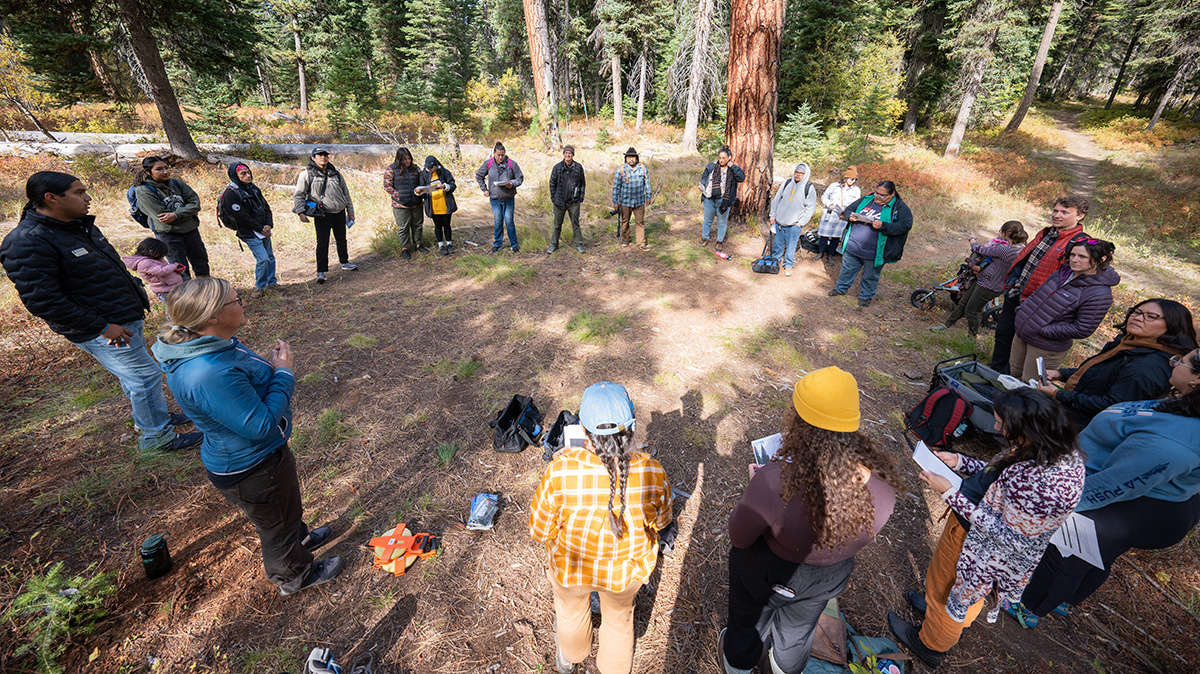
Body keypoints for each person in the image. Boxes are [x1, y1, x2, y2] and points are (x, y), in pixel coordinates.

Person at [152, 278, 342, 596]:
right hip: (252, 466)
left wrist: (269, 370)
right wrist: (283, 371)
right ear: (212, 316)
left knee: (287, 511)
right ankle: (294, 575)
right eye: (236, 300)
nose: (243, 303)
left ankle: (301, 540)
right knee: (276, 527)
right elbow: (261, 425)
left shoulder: (214, 343)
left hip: (265, 456)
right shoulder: (207, 372)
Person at [0, 171, 200, 452]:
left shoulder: (78, 226)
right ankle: (156, 438)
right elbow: (44, 301)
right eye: (79, 192)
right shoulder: (27, 242)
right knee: (144, 376)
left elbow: (107, 266)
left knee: (136, 376)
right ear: (51, 198)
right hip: (103, 328)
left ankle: (153, 419)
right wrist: (103, 327)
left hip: (123, 317)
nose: (88, 197)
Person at [887, 388, 1085, 669]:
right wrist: (961, 462)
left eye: (1002, 424)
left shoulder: (1045, 485)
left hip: (976, 544)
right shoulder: (1051, 448)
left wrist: (949, 494)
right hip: (976, 535)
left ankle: (930, 643)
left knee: (946, 591)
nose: (996, 427)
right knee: (956, 593)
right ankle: (940, 614)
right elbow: (1003, 471)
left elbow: (1007, 536)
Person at [719, 367, 899, 674]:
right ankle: (784, 667)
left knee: (748, 624)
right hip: (826, 581)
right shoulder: (883, 491)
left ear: (800, 424)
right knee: (798, 633)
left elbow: (739, 537)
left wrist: (759, 487)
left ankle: (740, 663)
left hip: (767, 574)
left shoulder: (773, 482)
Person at [1010, 348, 1200, 627]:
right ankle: (1065, 599)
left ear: (1196, 380)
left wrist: (1064, 503)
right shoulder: (1185, 404)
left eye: (1180, 362)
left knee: (1067, 547)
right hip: (1150, 495)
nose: (1173, 363)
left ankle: (1027, 606)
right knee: (1097, 551)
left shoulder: (1172, 444)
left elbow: (1118, 483)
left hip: (1142, 503)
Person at [529, 382, 673, 674]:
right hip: (625, 572)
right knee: (619, 621)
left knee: (569, 614)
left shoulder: (559, 471)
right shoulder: (652, 470)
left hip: (571, 568)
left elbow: (539, 530)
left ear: (582, 430)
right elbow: (662, 521)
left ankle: (570, 657)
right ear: (631, 428)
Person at [1035, 299, 1196, 429]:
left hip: (1084, 427)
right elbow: (1101, 373)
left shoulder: (1148, 366)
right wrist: (1061, 374)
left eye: (1151, 316)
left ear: (1173, 326)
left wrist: (1058, 394)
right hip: (1071, 412)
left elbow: (1112, 405)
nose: (1138, 318)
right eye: (1137, 312)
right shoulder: (1129, 343)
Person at [990, 196, 1090, 373]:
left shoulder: (1080, 243)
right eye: (1055, 210)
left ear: (1080, 216)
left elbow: (1071, 280)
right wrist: (1013, 286)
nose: (1057, 215)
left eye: (1065, 212)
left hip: (1038, 304)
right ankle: (993, 373)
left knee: (1024, 345)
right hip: (1017, 295)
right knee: (1004, 335)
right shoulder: (1045, 233)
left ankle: (1008, 380)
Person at [1010, 238, 1119, 381]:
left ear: (1101, 259)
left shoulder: (1099, 294)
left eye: (1082, 257)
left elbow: (1082, 328)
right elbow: (1037, 294)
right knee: (1013, 376)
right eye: (1072, 255)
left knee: (1030, 386)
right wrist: (1022, 312)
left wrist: (1042, 330)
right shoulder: (1062, 274)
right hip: (1023, 333)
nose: (1074, 260)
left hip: (1045, 345)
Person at [931, 221, 1028, 337]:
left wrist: (972, 239)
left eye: (1001, 231)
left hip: (989, 285)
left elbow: (979, 249)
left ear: (1006, 233)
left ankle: (971, 338)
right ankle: (946, 325)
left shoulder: (1006, 249)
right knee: (963, 303)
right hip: (984, 281)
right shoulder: (1020, 247)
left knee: (971, 310)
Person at [828, 180, 913, 307]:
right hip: (853, 246)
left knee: (870, 275)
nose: (877, 197)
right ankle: (840, 288)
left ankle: (866, 296)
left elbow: (906, 225)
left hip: (875, 251)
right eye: (876, 193)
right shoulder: (866, 199)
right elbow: (849, 209)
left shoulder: (899, 207)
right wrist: (849, 216)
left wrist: (884, 226)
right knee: (847, 269)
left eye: (882, 195)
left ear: (892, 194)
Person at [134, 156, 209, 278]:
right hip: (169, 235)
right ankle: (188, 295)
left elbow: (195, 204)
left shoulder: (176, 183)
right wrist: (188, 212)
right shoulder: (144, 190)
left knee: (201, 263)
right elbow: (162, 216)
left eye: (166, 168)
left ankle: (207, 290)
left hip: (191, 230)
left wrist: (175, 214)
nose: (165, 172)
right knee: (180, 268)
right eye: (159, 169)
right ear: (148, 172)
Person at [293, 148, 357, 283]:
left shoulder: (336, 174)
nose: (323, 157)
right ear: (313, 158)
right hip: (322, 214)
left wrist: (350, 211)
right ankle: (321, 272)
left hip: (339, 211)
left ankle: (344, 262)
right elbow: (299, 194)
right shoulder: (307, 174)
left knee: (341, 239)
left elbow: (346, 193)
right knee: (322, 242)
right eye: (320, 155)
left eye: (325, 155)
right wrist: (300, 212)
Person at [218, 163, 277, 299]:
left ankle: (272, 283)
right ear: (235, 176)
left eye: (248, 172)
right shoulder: (231, 194)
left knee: (270, 257)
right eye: (243, 174)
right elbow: (241, 217)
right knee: (263, 259)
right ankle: (259, 288)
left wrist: (268, 224)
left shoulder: (253, 188)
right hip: (249, 232)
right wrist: (260, 228)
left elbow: (266, 207)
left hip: (263, 229)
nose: (248, 176)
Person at [767, 163, 817, 277]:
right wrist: (772, 215)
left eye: (801, 173)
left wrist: (801, 223)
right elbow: (776, 199)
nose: (798, 175)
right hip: (780, 221)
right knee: (778, 243)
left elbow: (810, 207)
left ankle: (788, 264)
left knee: (791, 246)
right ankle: (775, 261)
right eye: (796, 172)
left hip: (794, 224)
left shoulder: (809, 188)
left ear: (805, 175)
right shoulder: (787, 182)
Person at [476, 142, 524, 253]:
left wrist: (511, 183)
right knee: (498, 221)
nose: (500, 157)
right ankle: (497, 244)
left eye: (502, 155)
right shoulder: (488, 163)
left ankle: (514, 244)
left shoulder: (511, 164)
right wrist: (484, 189)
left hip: (508, 198)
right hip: (495, 198)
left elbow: (520, 178)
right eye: (498, 155)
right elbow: (479, 175)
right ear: (494, 153)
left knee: (509, 221)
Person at [698, 147, 745, 251]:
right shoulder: (712, 166)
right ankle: (705, 238)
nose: (721, 160)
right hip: (709, 198)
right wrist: (701, 184)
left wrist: (732, 166)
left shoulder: (733, 169)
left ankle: (719, 241)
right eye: (719, 157)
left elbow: (741, 178)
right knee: (707, 220)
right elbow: (704, 178)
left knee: (722, 222)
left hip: (723, 200)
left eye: (724, 158)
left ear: (729, 157)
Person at [384, 147, 426, 261]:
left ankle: (419, 245)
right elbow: (387, 186)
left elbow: (422, 181)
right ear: (399, 159)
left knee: (417, 225)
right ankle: (405, 249)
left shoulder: (416, 168)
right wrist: (399, 195)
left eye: (409, 159)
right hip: (400, 205)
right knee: (403, 227)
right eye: (405, 159)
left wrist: (421, 191)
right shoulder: (391, 169)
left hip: (416, 203)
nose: (407, 161)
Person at [815, 166, 860, 264]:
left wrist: (847, 208)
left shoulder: (856, 190)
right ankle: (820, 252)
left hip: (842, 216)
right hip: (830, 213)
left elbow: (856, 203)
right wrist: (829, 204)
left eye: (855, 179)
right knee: (824, 235)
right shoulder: (834, 186)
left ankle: (830, 255)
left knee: (836, 236)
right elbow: (824, 197)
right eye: (852, 179)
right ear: (846, 178)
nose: (853, 181)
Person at [610, 147, 652, 251]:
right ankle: (625, 239)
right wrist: (615, 202)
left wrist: (648, 196)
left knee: (640, 222)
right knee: (625, 221)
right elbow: (616, 187)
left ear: (637, 158)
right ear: (626, 158)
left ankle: (641, 243)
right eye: (629, 157)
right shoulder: (621, 169)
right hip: (625, 201)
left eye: (633, 157)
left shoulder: (642, 167)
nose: (631, 159)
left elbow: (647, 183)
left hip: (639, 200)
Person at [547, 145, 586, 255]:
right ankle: (554, 245)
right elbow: (552, 183)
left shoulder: (578, 167)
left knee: (575, 224)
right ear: (563, 154)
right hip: (559, 202)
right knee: (557, 224)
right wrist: (553, 198)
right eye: (566, 153)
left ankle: (578, 245)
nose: (568, 155)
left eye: (570, 153)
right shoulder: (557, 167)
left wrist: (580, 197)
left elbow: (582, 183)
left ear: (573, 155)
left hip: (574, 201)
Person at [123, 237, 186, 303]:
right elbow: (161, 271)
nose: (162, 256)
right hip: (165, 290)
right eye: (160, 253)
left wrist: (175, 271)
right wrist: (173, 266)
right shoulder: (144, 263)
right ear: (151, 251)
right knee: (172, 308)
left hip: (173, 286)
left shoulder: (155, 258)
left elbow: (165, 268)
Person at [418, 155, 458, 256]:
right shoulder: (424, 174)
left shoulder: (444, 172)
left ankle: (449, 244)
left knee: (447, 225)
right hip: (433, 205)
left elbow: (453, 185)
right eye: (428, 168)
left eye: (431, 168)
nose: (429, 170)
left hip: (445, 204)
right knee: (438, 226)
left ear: (436, 165)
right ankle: (441, 245)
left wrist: (445, 186)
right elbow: (420, 188)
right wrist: (419, 191)